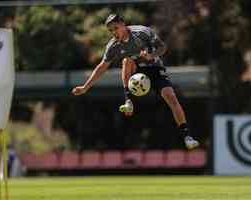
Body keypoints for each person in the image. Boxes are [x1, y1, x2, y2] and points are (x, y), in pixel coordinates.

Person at [72, 14, 199, 149]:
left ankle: (187, 136)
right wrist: (85, 87)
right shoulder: (113, 45)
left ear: (123, 24)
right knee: (127, 60)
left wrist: (151, 56)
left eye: (116, 28)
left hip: (154, 68)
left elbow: (162, 48)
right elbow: (101, 67)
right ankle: (128, 100)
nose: (114, 32)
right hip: (136, 71)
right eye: (111, 30)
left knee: (171, 97)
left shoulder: (142, 32)